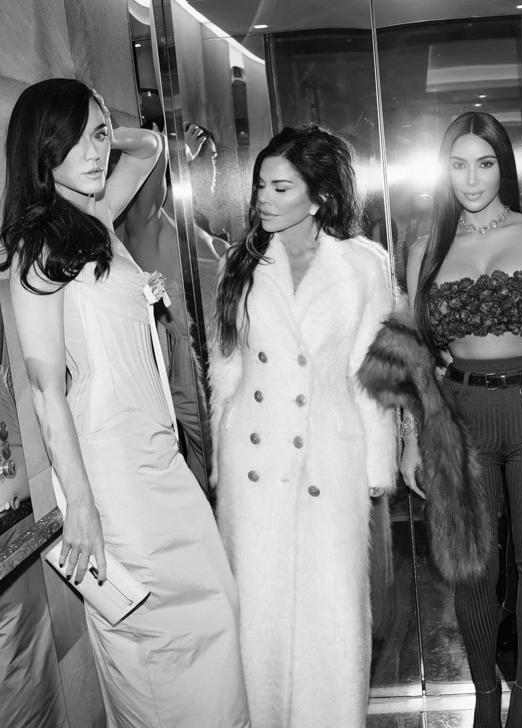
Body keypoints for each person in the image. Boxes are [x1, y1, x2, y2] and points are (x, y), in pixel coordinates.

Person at [1, 78, 249, 727]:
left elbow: (150, 149)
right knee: (160, 643)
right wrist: (81, 506)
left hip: (161, 459)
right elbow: (46, 390)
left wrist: (109, 129)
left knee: (218, 615)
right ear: (42, 148)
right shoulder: (37, 246)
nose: (95, 151)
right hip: (112, 472)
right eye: (76, 139)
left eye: (99, 135)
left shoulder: (96, 218)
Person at [209, 123, 396, 727]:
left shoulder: (363, 267)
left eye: (280, 186)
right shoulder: (238, 265)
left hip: (329, 456)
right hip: (253, 459)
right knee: (259, 609)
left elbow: (370, 374)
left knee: (332, 608)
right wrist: (220, 462)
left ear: (318, 197)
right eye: (260, 184)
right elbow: (226, 371)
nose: (263, 197)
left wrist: (378, 466)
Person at [401, 111, 522, 728]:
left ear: (505, 166)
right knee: (471, 565)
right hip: (460, 415)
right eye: (458, 164)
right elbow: (416, 353)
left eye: (485, 163)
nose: (471, 179)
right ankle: (484, 699)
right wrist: (412, 439)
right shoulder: (426, 250)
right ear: (443, 171)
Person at [122, 121, 229, 491]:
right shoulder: (150, 226)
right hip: (194, 369)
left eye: (214, 160)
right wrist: (174, 151)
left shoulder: (202, 233)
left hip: (226, 362)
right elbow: (148, 157)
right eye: (204, 159)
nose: (213, 172)